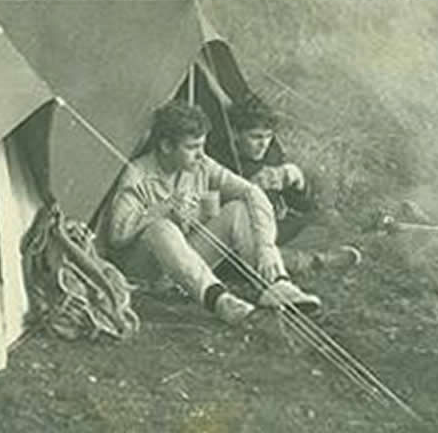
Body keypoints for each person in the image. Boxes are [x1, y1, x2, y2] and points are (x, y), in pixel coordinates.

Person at [103, 99, 321, 326]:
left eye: (202, 146)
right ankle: (220, 301)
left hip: (186, 264)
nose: (200, 154)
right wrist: (162, 210)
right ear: (166, 146)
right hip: (147, 270)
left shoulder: (201, 165)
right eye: (192, 147)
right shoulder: (137, 174)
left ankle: (276, 283)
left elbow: (251, 191)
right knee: (162, 228)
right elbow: (117, 234)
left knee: (238, 209)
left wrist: (266, 247)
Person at [227, 92, 361, 273]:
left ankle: (285, 257)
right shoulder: (226, 161)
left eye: (268, 136)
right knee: (243, 252)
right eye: (255, 137)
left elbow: (305, 206)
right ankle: (313, 261)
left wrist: (297, 180)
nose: (263, 144)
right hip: (247, 235)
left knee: (329, 218)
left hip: (275, 229)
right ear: (235, 134)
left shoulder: (270, 155)